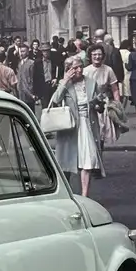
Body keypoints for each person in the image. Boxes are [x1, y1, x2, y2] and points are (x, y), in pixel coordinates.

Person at [51, 56, 105, 197]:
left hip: (88, 125)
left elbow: (100, 105)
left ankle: (84, 195)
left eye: (81, 66)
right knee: (67, 163)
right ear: (68, 69)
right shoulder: (64, 84)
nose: (79, 70)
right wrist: (65, 81)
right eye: (75, 68)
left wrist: (98, 105)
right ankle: (66, 194)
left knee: (87, 161)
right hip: (70, 127)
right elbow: (56, 100)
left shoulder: (91, 82)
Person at [84, 43, 121, 148]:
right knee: (91, 131)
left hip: (103, 104)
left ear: (103, 56)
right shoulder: (85, 71)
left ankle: (100, 152)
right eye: (94, 54)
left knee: (102, 131)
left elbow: (115, 89)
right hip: (90, 103)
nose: (97, 57)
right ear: (90, 56)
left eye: (99, 54)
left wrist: (117, 105)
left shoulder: (108, 70)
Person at [119, 39, 132, 107]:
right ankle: (123, 107)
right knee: (126, 93)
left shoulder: (118, 52)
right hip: (127, 74)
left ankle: (119, 106)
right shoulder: (129, 53)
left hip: (119, 74)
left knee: (120, 92)